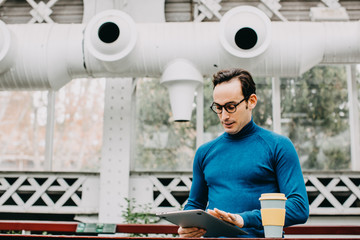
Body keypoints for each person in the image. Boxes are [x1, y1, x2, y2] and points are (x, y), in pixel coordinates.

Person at [178, 68, 309, 238]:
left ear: (251, 101)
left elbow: (299, 208)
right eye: (218, 108)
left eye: (231, 107)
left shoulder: (279, 146)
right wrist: (186, 226)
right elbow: (195, 204)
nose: (224, 116)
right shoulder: (204, 152)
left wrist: (244, 219)